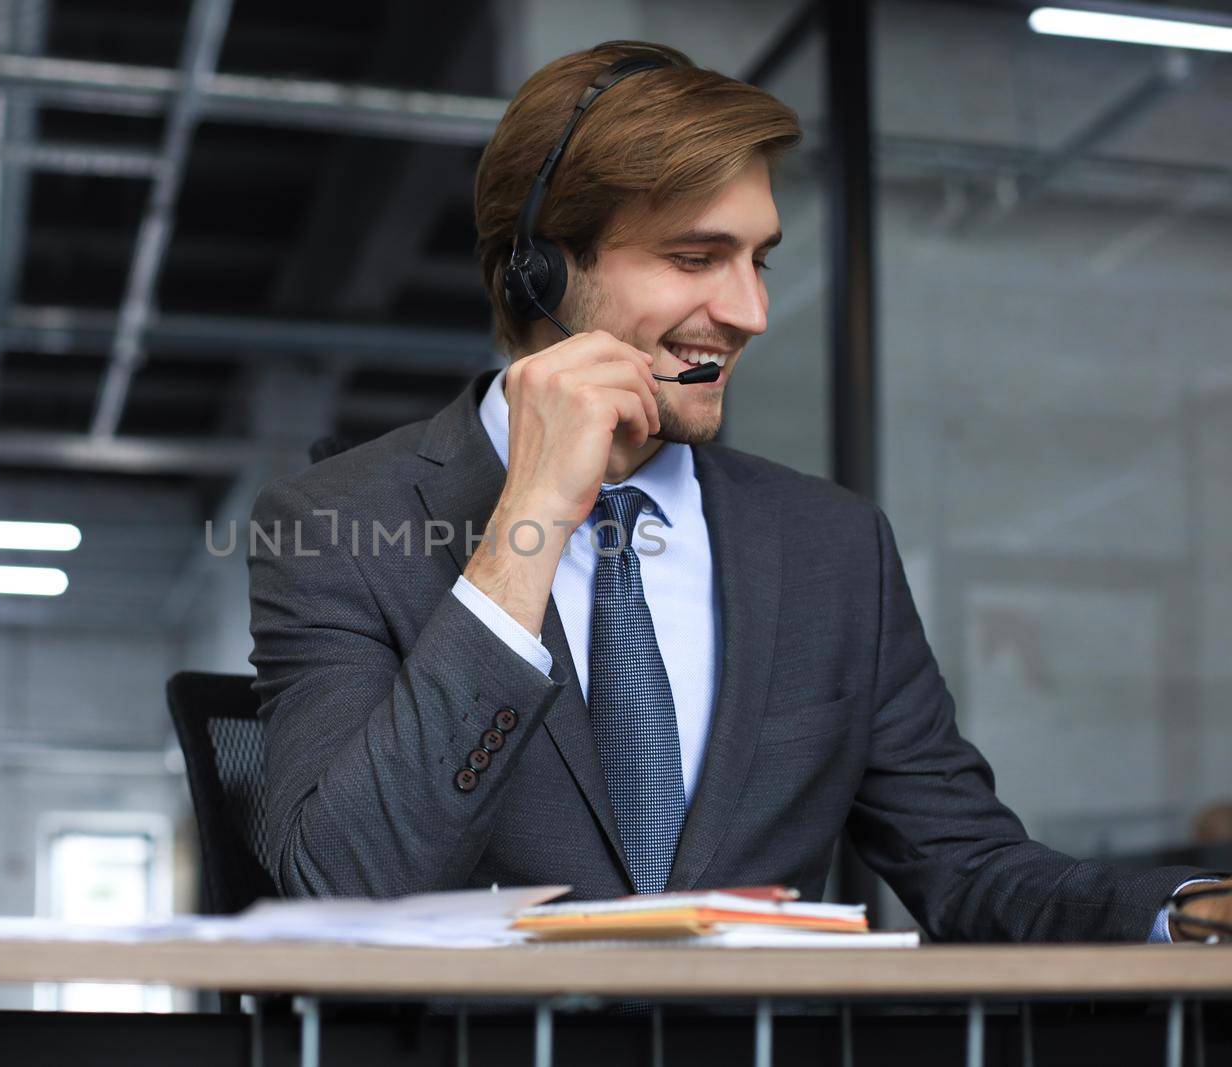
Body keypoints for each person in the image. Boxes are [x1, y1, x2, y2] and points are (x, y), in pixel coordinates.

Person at [245, 39, 1230, 942]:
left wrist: (1189, 910)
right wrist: (532, 514)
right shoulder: (340, 526)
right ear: (541, 266)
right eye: (693, 257)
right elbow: (348, 879)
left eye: (756, 260)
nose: (750, 311)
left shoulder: (831, 546)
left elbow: (968, 866)